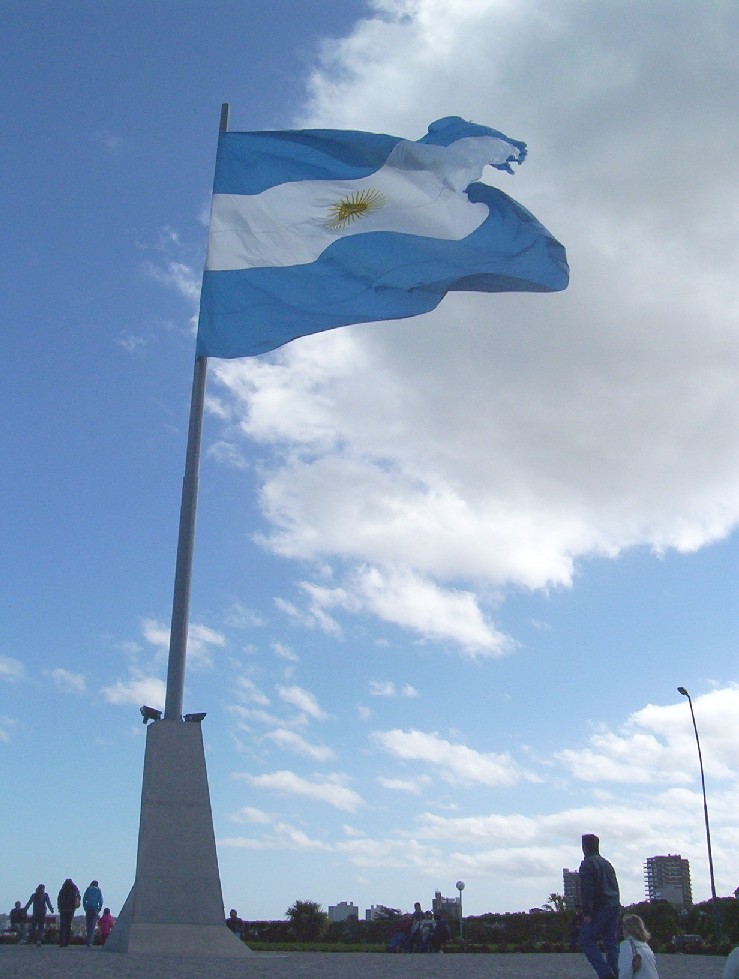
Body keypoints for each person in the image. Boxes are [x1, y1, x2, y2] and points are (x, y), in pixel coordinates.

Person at [578, 833, 621, 979]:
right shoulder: (607, 863)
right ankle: (618, 972)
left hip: (599, 907)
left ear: (584, 847)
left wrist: (586, 912)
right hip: (613, 905)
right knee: (611, 942)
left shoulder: (588, 863)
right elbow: (615, 886)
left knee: (585, 939)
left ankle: (606, 973)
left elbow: (587, 889)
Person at [619, 914, 660, 979]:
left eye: (623, 928)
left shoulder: (626, 945)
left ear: (627, 929)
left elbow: (625, 972)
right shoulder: (646, 946)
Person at [56, 878, 81, 947]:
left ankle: (61, 941)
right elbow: (78, 897)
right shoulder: (74, 890)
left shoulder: (62, 891)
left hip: (63, 909)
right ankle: (66, 941)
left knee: (62, 925)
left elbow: (59, 899)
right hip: (71, 909)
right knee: (68, 925)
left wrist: (59, 907)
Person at [82, 880, 103, 947]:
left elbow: (84, 899)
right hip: (95, 908)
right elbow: (101, 901)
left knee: (88, 925)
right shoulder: (98, 891)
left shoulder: (88, 889)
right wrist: (99, 908)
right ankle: (90, 941)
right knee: (93, 925)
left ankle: (88, 941)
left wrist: (85, 907)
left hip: (88, 908)